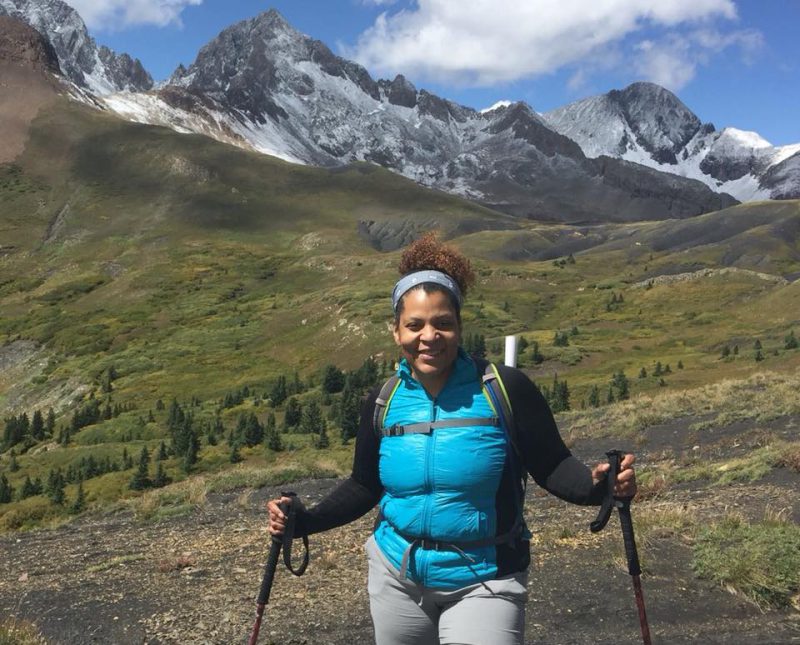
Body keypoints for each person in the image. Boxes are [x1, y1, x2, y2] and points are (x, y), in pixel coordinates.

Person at [267, 232, 636, 645]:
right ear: (396, 332)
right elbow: (364, 484)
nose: (429, 336)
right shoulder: (384, 400)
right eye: (415, 325)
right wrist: (307, 520)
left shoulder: (503, 388)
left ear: (459, 327)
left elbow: (551, 465)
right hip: (396, 576)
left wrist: (598, 487)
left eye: (443, 323)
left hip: (486, 579)